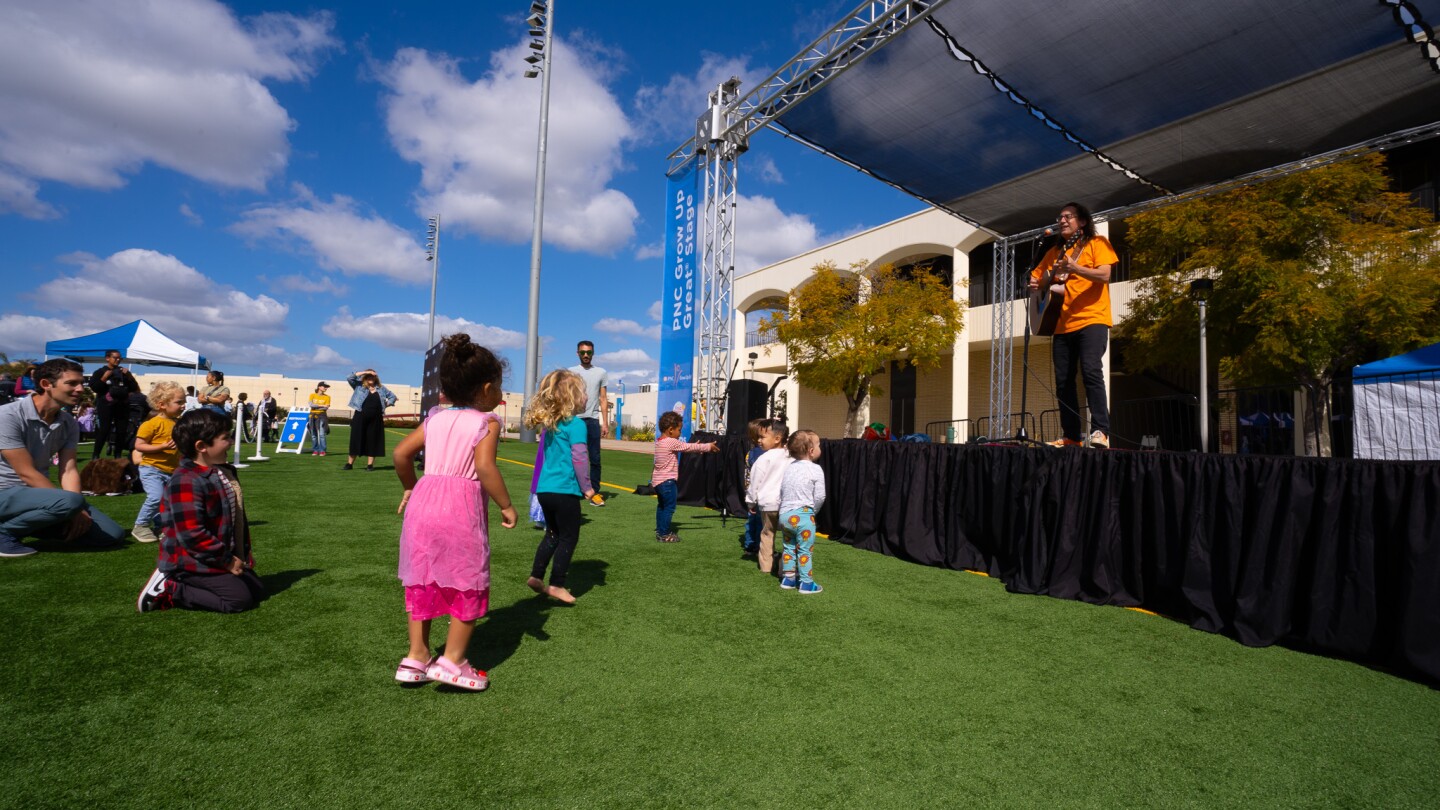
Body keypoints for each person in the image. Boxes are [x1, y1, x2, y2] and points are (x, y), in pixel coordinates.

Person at [391, 334, 517, 691]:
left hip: (424, 501)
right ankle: (453, 660)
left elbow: (401, 455)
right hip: (459, 508)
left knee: (422, 577)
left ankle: (416, 657)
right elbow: (486, 467)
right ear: (488, 387)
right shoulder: (486, 422)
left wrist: (409, 486)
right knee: (467, 578)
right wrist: (506, 505)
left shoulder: (434, 419)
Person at [136, 409, 265, 613]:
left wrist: (243, 552)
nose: (231, 442)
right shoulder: (186, 480)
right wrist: (228, 561)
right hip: (189, 560)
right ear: (201, 446)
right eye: (225, 438)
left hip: (212, 555)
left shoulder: (220, 472)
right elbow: (192, 534)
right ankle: (169, 588)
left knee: (257, 588)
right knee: (238, 600)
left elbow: (235, 519)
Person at [0, 358, 127, 558]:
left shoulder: (68, 422)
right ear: (46, 385)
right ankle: (5, 532)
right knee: (68, 504)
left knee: (111, 535)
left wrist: (76, 507)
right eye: (71, 383)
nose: (80, 389)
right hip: (4, 492)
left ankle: (28, 525)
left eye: (81, 383)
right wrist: (73, 508)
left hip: (37, 498)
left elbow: (68, 469)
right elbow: (26, 473)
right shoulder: (7, 416)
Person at [1026, 201, 1119, 449]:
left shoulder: (1097, 244)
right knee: (1064, 381)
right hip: (1061, 325)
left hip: (1092, 319)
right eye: (1060, 217)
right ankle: (1071, 437)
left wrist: (1075, 267)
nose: (1062, 220)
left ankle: (1101, 431)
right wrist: (1038, 284)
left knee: (1090, 371)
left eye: (1068, 216)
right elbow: (1036, 279)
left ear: (1083, 221)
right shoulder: (1053, 252)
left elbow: (1105, 275)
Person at [523, 369, 603, 606]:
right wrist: (588, 489)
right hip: (564, 491)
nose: (587, 398)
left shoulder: (551, 425)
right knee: (569, 537)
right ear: (572, 397)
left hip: (545, 490)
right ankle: (557, 584)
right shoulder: (576, 425)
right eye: (584, 393)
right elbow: (579, 458)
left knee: (553, 533)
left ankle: (536, 576)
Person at [650, 411, 718, 543]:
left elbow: (687, 448)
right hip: (667, 482)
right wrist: (708, 447)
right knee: (669, 507)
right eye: (679, 430)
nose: (680, 433)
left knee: (662, 506)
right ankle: (664, 534)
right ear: (670, 430)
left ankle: (660, 529)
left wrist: (696, 447)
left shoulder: (660, 441)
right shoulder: (670, 442)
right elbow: (687, 447)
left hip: (658, 482)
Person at [131, 382, 185, 543]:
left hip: (171, 470)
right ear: (162, 405)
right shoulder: (151, 424)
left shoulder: (176, 423)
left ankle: (162, 526)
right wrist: (160, 446)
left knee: (168, 501)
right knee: (156, 497)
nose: (183, 406)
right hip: (151, 468)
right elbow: (139, 446)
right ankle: (140, 525)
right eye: (179, 402)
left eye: (183, 402)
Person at [777, 429, 826, 595]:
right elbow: (820, 496)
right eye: (819, 445)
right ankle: (806, 583)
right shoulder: (816, 469)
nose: (821, 447)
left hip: (784, 514)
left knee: (789, 547)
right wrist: (813, 512)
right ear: (811, 451)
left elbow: (782, 490)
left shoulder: (790, 468)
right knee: (805, 550)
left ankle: (788, 579)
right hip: (803, 515)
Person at [744, 420, 791, 574]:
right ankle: (787, 567)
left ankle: (766, 566)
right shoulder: (791, 456)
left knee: (767, 534)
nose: (759, 440)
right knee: (788, 537)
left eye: (763, 437)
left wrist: (750, 503)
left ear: (777, 438)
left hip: (768, 505)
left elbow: (754, 482)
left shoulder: (763, 459)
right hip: (788, 505)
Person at [568, 340, 609, 500]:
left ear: (593, 353)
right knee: (574, 456)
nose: (586, 355)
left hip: (592, 420)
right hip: (574, 419)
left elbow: (603, 398)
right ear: (578, 353)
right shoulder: (571, 372)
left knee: (595, 458)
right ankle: (575, 489)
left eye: (589, 352)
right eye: (583, 352)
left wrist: (604, 422)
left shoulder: (601, 372)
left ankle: (594, 490)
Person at [346, 369, 397, 471]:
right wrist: (365, 372)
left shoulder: (381, 389)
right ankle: (349, 464)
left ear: (376, 378)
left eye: (372, 376)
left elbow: (393, 397)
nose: (370, 378)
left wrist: (387, 404)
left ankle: (370, 465)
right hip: (360, 416)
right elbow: (349, 377)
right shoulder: (359, 386)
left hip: (376, 418)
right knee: (356, 439)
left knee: (373, 440)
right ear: (365, 377)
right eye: (368, 376)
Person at [89, 349, 134, 459]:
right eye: (115, 358)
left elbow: (133, 387)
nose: (118, 360)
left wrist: (129, 376)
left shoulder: (123, 372)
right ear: (108, 358)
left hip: (122, 404)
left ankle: (117, 454)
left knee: (121, 430)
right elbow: (95, 388)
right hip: (106, 404)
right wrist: (104, 378)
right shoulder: (100, 372)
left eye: (120, 358)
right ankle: (96, 455)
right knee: (104, 430)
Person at [740, 418, 768, 558]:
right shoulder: (759, 453)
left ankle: (752, 545)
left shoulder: (754, 452)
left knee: (754, 519)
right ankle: (754, 545)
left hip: (752, 491)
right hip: (758, 492)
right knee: (757, 520)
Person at [307, 382, 331, 456]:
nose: (326, 388)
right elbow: (311, 405)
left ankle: (322, 450)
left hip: (322, 416)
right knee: (313, 434)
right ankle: (315, 450)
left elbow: (326, 407)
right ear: (319, 387)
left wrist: (317, 406)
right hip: (312, 416)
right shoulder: (312, 395)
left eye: (326, 387)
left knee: (321, 434)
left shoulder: (327, 397)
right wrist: (322, 405)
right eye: (324, 386)